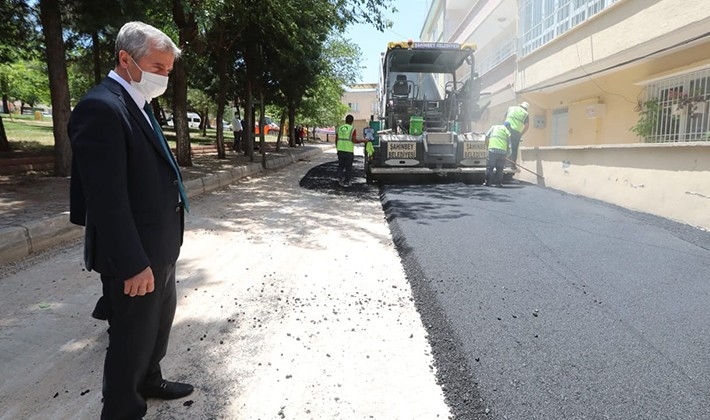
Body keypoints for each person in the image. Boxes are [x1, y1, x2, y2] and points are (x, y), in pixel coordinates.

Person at [68, 21, 193, 420]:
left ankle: (150, 379)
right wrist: (133, 263)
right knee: (130, 339)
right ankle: (123, 408)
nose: (163, 77)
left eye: (168, 71)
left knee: (156, 327)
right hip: (135, 255)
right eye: (158, 67)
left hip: (160, 245)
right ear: (126, 59)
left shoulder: (137, 101)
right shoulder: (101, 107)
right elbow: (107, 202)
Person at [335, 114, 365, 187]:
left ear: (345, 120)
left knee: (341, 166)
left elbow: (336, 139)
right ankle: (347, 182)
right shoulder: (352, 129)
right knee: (348, 167)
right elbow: (354, 140)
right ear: (352, 121)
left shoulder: (339, 128)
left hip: (340, 150)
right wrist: (363, 140)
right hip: (348, 151)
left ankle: (340, 178)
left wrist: (337, 148)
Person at [484, 121, 512, 187]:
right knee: (500, 168)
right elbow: (509, 145)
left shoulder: (493, 127)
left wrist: (486, 146)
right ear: (508, 127)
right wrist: (508, 154)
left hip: (492, 150)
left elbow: (486, 136)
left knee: (490, 167)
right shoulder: (507, 131)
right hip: (502, 152)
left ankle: (488, 183)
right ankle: (498, 184)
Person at [504, 101, 530, 168]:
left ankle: (503, 164)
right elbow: (527, 126)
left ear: (520, 105)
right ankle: (512, 165)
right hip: (516, 132)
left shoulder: (511, 108)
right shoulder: (525, 113)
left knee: (504, 146)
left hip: (506, 128)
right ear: (526, 108)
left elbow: (504, 118)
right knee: (514, 149)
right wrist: (521, 134)